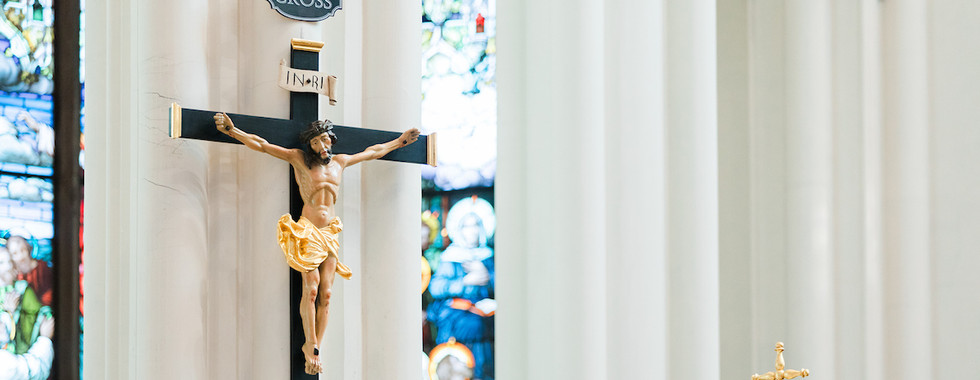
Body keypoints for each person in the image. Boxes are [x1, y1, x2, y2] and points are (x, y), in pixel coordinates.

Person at [213, 112, 420, 375]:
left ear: (330, 140)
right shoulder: (299, 160)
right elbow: (263, 145)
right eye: (315, 143)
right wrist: (233, 131)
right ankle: (309, 343)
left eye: (324, 140)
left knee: (328, 294)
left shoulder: (340, 163)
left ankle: (316, 351)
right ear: (308, 146)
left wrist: (400, 141)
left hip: (330, 233)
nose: (321, 147)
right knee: (311, 290)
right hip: (308, 231)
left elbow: (373, 152)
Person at [427, 198, 496, 380]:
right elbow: (436, 287)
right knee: (474, 325)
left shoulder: (488, 256)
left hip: (487, 311)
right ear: (459, 229)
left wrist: (487, 277)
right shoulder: (451, 256)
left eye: (475, 226)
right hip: (457, 314)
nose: (471, 231)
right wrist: (465, 281)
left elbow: (504, 284)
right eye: (467, 226)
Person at [6, 236, 52, 307]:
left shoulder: (43, 268)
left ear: (28, 249)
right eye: (15, 253)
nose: (21, 256)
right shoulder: (11, 275)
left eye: (23, 250)